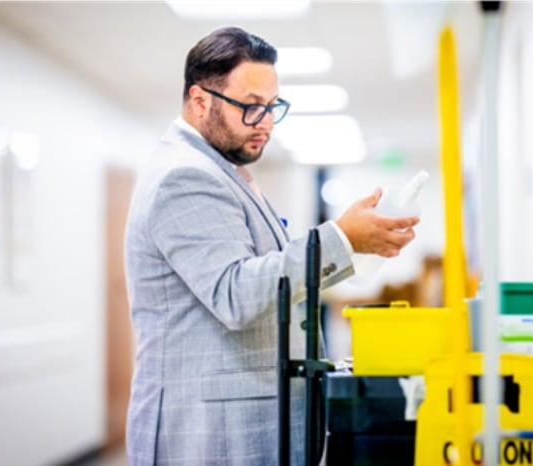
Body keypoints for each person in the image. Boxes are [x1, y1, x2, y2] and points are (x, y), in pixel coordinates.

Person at [123, 26, 419, 466]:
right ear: (200, 100)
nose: (264, 122)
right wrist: (339, 238)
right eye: (250, 106)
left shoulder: (222, 168)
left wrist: (354, 245)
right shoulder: (183, 176)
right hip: (209, 432)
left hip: (242, 419)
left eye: (271, 106)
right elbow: (235, 294)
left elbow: (263, 271)